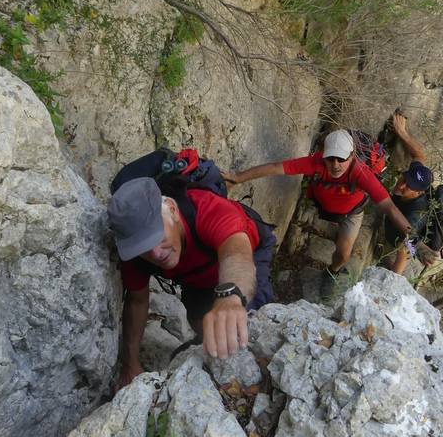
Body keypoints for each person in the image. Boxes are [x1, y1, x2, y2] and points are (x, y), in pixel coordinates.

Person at [222, 129, 436, 296]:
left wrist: (417, 243)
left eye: (341, 159)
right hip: (325, 206)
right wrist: (237, 178)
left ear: (352, 156)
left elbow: (389, 207)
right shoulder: (316, 162)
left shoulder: (361, 174)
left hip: (352, 213)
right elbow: (278, 167)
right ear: (323, 155)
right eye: (330, 158)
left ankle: (332, 272)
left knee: (343, 254)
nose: (335, 165)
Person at [107, 177, 275, 387]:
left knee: (245, 327)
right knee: (199, 318)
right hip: (197, 272)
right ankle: (209, 345)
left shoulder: (208, 209)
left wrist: (230, 297)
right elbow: (137, 301)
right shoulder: (135, 254)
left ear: (172, 210)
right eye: (143, 247)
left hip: (247, 257)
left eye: (158, 237)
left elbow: (236, 253)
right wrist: (130, 364)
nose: (156, 253)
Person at [384, 112, 437, 274]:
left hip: (398, 236)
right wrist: (402, 132)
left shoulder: (415, 217)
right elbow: (419, 155)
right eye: (404, 178)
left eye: (408, 187)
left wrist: (393, 280)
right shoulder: (418, 175)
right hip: (398, 216)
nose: (401, 186)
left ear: (419, 192)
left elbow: (405, 252)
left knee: (402, 244)